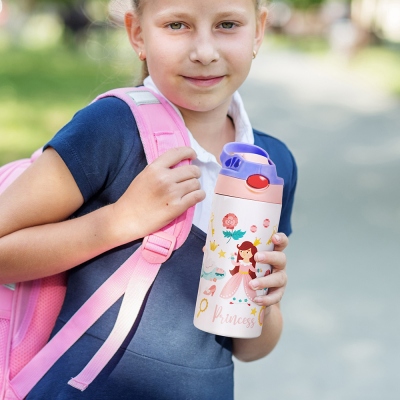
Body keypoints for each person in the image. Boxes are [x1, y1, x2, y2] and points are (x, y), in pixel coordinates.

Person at [0, 0, 297, 398]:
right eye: (177, 25)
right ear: (138, 33)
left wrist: (267, 302)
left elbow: (251, 349)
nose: (204, 51)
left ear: (259, 30)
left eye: (228, 24)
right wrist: (119, 221)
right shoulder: (111, 129)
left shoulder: (272, 163)